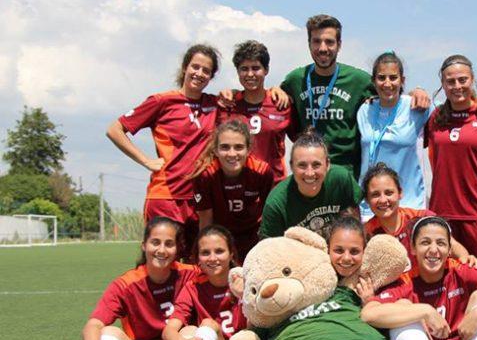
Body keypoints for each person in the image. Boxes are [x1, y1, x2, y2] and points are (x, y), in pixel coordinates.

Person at [280, 14, 431, 178]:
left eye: (329, 42)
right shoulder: (296, 80)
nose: (323, 48)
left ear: (339, 45)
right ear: (309, 44)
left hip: (347, 176)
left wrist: (416, 92)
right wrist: (275, 90)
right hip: (310, 173)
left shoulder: (359, 80)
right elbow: (277, 99)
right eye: (316, 41)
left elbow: (390, 94)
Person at [106, 44, 221, 258]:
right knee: (161, 264)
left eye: (206, 70)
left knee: (195, 266)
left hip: (199, 200)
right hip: (166, 197)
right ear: (185, 67)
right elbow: (115, 130)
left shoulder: (215, 104)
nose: (199, 73)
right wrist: (146, 161)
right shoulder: (162, 101)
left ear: (211, 76)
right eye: (195, 67)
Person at [425, 55, 477, 272]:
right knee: (444, 283)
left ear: (472, 80)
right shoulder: (434, 118)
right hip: (442, 215)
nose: (457, 86)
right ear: (442, 84)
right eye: (450, 81)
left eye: (462, 80)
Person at [361, 162, 477, 271]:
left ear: (400, 193)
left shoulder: (423, 219)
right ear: (367, 199)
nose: (383, 200)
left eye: (389, 193)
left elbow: (454, 248)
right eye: (375, 194)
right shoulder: (365, 233)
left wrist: (467, 259)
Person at [356, 52, 431, 219]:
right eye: (382, 78)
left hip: (409, 206)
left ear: (402, 80)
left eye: (393, 77)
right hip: (372, 207)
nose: (387, 83)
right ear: (374, 81)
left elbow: (454, 108)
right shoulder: (364, 110)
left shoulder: (416, 107)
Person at [190, 120, 274, 261]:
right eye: (225, 147)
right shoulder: (205, 175)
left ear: (248, 149)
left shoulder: (262, 171)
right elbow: (206, 220)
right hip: (220, 236)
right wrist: (204, 253)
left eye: (239, 147)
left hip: (252, 235)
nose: (232, 153)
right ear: (216, 150)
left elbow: (269, 215)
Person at [259, 129, 362, 239]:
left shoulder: (341, 180)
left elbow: (356, 221)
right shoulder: (277, 203)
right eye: (302, 165)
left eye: (316, 165)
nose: (309, 173)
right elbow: (269, 247)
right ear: (292, 166)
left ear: (327, 165)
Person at [217, 40, 295, 186]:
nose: (250, 74)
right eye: (244, 69)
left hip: (273, 186)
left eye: (256, 68)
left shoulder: (281, 104)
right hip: (235, 189)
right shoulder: (227, 105)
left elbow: (300, 139)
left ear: (266, 70)